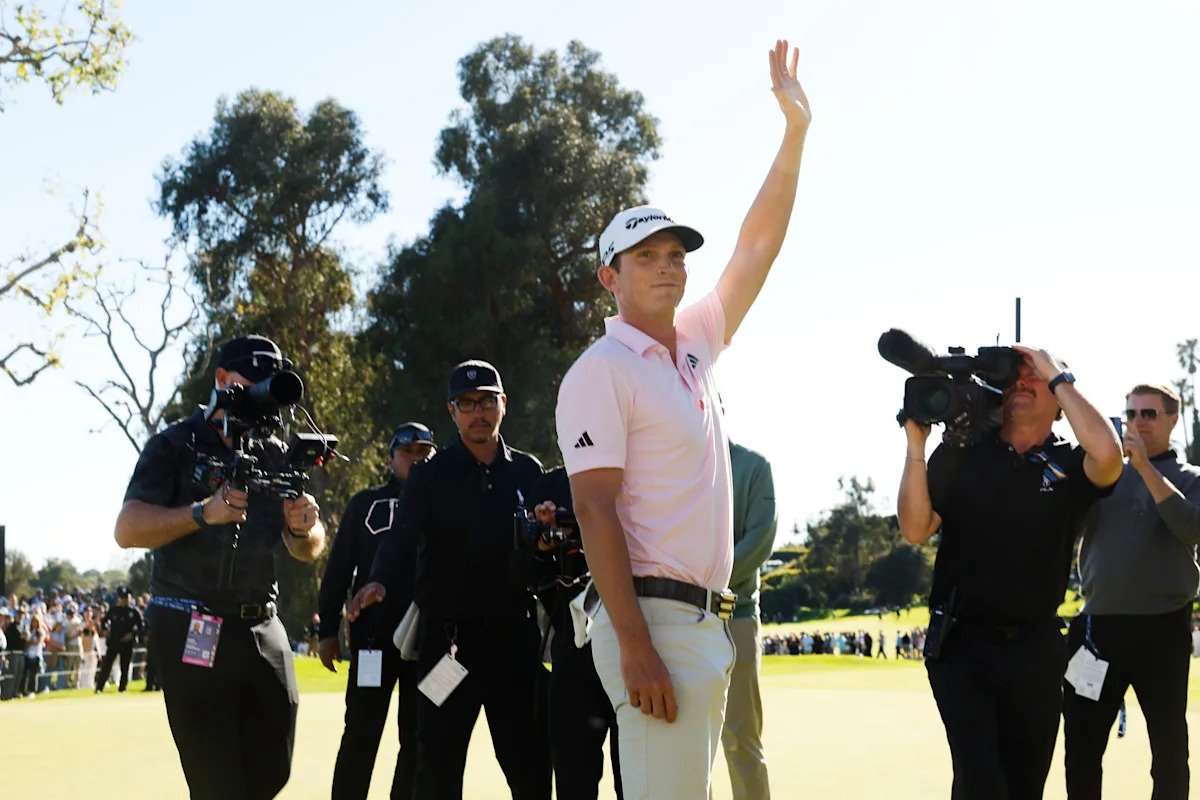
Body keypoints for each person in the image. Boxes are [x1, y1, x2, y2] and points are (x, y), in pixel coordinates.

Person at [554, 39, 811, 800]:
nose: (669, 264)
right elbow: (593, 507)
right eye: (646, 256)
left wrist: (794, 133)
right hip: (652, 622)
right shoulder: (600, 371)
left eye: (675, 253)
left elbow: (757, 246)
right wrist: (633, 645)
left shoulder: (692, 345)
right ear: (611, 277)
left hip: (703, 625)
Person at [897, 349, 1123, 799]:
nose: (1020, 383)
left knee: (1023, 786)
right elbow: (915, 528)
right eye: (1013, 379)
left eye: (1032, 378)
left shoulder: (1071, 463)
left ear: (1060, 398)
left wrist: (1053, 369)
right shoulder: (965, 452)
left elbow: (1109, 455)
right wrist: (917, 448)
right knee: (982, 781)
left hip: (1036, 650)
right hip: (961, 645)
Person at [114, 334, 326, 800]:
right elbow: (127, 530)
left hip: (261, 625)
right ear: (223, 380)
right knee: (217, 782)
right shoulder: (175, 443)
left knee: (273, 771)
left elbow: (308, 548)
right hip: (191, 623)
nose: (265, 394)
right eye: (256, 382)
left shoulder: (275, 451)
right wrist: (201, 513)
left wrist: (303, 526)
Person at [348, 360, 550, 800]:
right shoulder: (429, 475)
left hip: (515, 645)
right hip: (449, 647)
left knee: (530, 764)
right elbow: (401, 539)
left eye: (487, 402)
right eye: (467, 403)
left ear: (504, 405)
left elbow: (543, 555)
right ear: (452, 411)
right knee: (436, 764)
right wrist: (378, 580)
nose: (479, 412)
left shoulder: (528, 473)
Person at [1064, 383, 1200, 799]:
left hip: (1162, 631)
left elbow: (1192, 529)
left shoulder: (1190, 478)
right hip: (1096, 631)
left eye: (1149, 414)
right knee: (1082, 749)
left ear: (1172, 419)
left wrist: (1143, 467)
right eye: (1131, 413)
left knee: (1169, 751)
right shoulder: (1103, 473)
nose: (1138, 422)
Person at [319, 421, 435, 800]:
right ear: (390, 459)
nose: (417, 460)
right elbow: (338, 568)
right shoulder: (364, 503)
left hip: (427, 640)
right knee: (361, 732)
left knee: (418, 736)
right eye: (408, 453)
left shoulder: (446, 503)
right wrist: (327, 633)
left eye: (425, 452)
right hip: (372, 640)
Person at [524, 466, 622, 799]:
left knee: (639, 782)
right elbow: (524, 571)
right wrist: (542, 546)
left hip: (635, 649)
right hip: (573, 649)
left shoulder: (644, 475)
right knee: (573, 781)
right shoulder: (549, 485)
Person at [721, 442, 779, 800]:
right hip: (676, 615)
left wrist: (705, 580)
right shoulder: (669, 462)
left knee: (741, 739)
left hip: (735, 614)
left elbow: (761, 538)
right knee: (688, 744)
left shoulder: (754, 466)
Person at [95, 586, 143, 693]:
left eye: (127, 597)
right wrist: (106, 630)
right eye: (123, 597)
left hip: (127, 643)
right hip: (113, 641)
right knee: (107, 665)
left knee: (124, 666)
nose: (125, 600)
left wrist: (132, 634)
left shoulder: (134, 612)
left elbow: (141, 627)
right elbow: (104, 622)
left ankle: (122, 688)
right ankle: (99, 687)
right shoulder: (113, 610)